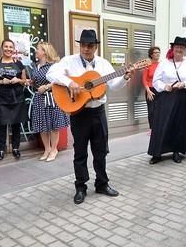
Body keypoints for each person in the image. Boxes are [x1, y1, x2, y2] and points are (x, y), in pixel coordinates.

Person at [47, 29, 134, 205]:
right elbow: (51, 74)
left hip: (98, 112)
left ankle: (102, 183)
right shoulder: (69, 61)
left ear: (95, 47)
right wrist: (70, 82)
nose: (86, 48)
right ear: (80, 45)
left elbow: (114, 86)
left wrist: (124, 77)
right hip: (79, 114)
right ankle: (80, 187)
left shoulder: (103, 64)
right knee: (80, 153)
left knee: (100, 151)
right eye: (84, 45)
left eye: (90, 45)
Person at [148, 37, 186, 164]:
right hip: (166, 96)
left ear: (185, 50)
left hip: (182, 98)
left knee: (179, 126)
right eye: (177, 47)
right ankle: (157, 153)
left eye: (182, 48)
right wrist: (164, 86)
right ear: (173, 48)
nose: (179, 49)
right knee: (161, 124)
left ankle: (177, 151)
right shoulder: (164, 63)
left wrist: (185, 84)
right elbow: (156, 81)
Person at [0, 39, 29, 160]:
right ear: (2, 48)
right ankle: (1, 149)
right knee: (2, 123)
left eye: (10, 47)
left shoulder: (19, 64)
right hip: (2, 97)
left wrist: (19, 80)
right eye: (6, 47)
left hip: (17, 97)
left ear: (13, 49)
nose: (8, 49)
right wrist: (2, 81)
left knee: (16, 123)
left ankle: (16, 148)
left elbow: (24, 81)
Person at [31, 41, 70, 161]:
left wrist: (47, 86)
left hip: (52, 98)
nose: (36, 51)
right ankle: (47, 149)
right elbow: (36, 81)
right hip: (40, 98)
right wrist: (31, 82)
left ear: (44, 52)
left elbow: (62, 81)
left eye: (38, 49)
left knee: (54, 126)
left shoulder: (54, 66)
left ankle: (54, 149)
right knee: (42, 125)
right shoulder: (35, 66)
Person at [142, 46, 161, 135]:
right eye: (155, 53)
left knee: (160, 109)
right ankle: (152, 128)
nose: (157, 54)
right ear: (151, 55)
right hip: (150, 89)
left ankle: (159, 127)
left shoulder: (162, 65)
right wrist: (148, 90)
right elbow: (144, 79)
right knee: (151, 110)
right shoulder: (147, 65)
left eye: (158, 52)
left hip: (160, 89)